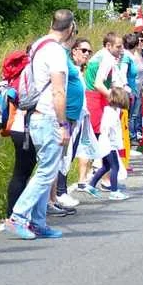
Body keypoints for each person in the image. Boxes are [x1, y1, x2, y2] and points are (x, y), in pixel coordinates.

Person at [4, 10, 74, 241]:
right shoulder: (56, 52)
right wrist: (63, 124)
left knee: (47, 169)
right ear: (70, 28)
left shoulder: (38, 45)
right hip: (48, 117)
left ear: (51, 23)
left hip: (35, 115)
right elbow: (58, 91)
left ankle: (38, 222)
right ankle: (18, 216)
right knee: (46, 172)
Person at [79, 32, 122, 192]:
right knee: (103, 138)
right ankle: (105, 178)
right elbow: (98, 83)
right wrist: (114, 98)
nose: (121, 50)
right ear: (108, 46)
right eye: (118, 47)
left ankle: (84, 179)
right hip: (97, 100)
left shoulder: (98, 55)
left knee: (90, 139)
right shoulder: (107, 59)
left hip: (90, 98)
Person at [54, 36, 91, 208]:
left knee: (70, 153)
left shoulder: (78, 70)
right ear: (74, 51)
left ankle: (61, 191)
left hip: (78, 116)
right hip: (67, 116)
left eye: (89, 51)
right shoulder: (67, 66)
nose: (87, 54)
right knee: (64, 154)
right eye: (84, 50)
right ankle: (59, 192)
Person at [84, 87, 131, 200]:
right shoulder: (111, 113)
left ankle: (91, 185)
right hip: (109, 145)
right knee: (115, 167)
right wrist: (110, 143)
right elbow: (107, 129)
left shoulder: (111, 111)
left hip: (106, 144)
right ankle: (114, 191)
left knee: (106, 166)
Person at [122, 33, 143, 144]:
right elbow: (123, 73)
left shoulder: (129, 56)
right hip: (129, 92)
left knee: (131, 117)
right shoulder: (127, 57)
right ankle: (129, 139)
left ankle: (129, 139)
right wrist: (127, 89)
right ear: (135, 44)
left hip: (133, 90)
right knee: (129, 117)